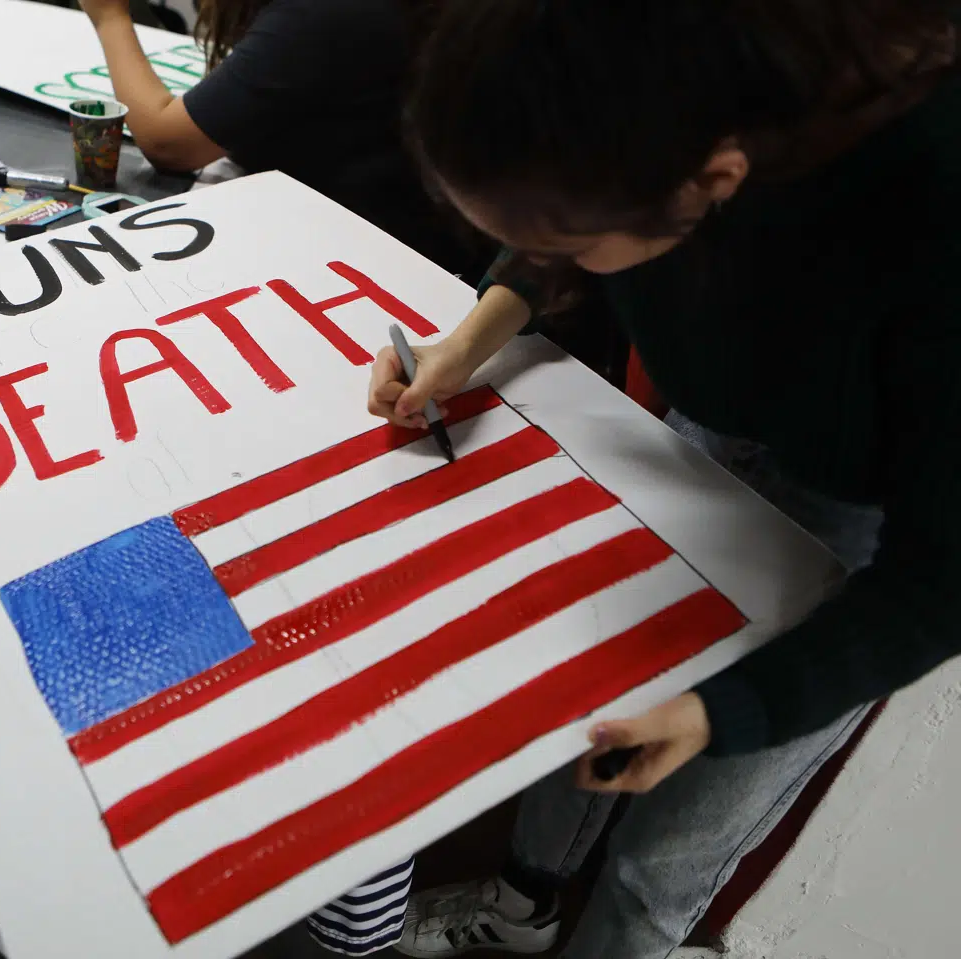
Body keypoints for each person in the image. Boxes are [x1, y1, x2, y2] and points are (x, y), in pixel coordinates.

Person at [363, 1, 961, 956]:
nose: (559, 256)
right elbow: (563, 208)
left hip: (869, 508)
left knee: (673, 842)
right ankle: (522, 912)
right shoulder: (638, 84)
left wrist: (726, 710)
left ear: (712, 182)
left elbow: (938, 583)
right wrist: (470, 339)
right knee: (589, 715)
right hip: (713, 430)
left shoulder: (932, 207)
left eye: (579, 245)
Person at [76, 0, 489, 280]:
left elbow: (169, 143)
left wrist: (110, 16)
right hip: (392, 239)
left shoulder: (322, 14)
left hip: (388, 264)